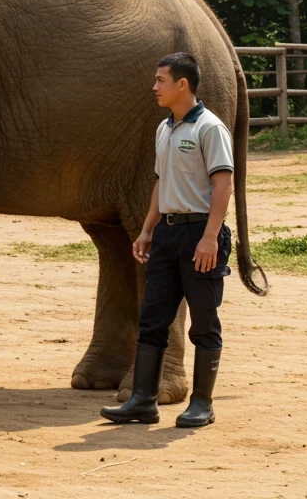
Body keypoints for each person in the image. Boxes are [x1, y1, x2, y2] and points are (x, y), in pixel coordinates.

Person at [101, 52, 232, 428]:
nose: (154, 87)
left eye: (161, 80)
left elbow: (222, 184)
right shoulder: (165, 129)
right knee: (153, 318)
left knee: (204, 322)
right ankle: (143, 400)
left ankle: (202, 404)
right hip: (168, 234)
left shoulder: (209, 128)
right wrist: (147, 230)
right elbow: (162, 183)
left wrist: (209, 238)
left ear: (182, 85)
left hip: (200, 233)